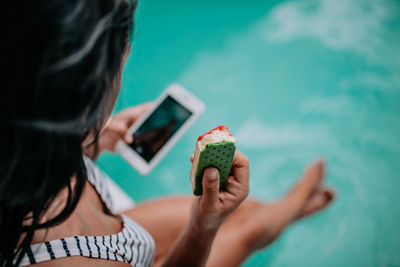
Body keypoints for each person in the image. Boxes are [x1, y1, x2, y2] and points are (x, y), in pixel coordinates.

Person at [0, 0, 335, 266]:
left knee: (246, 211)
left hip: (112, 236)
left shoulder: (26, 140)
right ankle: (294, 204)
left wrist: (96, 139)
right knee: (249, 230)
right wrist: (203, 228)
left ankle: (279, 211)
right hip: (99, 248)